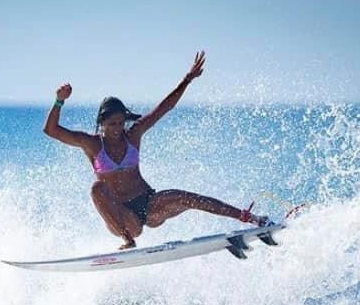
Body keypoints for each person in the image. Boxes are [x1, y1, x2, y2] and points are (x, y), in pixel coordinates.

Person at [43, 51, 269, 250]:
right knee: (96, 188)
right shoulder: (92, 144)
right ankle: (128, 241)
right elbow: (51, 130)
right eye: (112, 124)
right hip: (124, 218)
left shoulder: (133, 135)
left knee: (187, 197)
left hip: (150, 205)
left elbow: (165, 107)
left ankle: (249, 217)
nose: (117, 129)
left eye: (121, 123)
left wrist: (187, 80)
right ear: (102, 123)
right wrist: (59, 101)